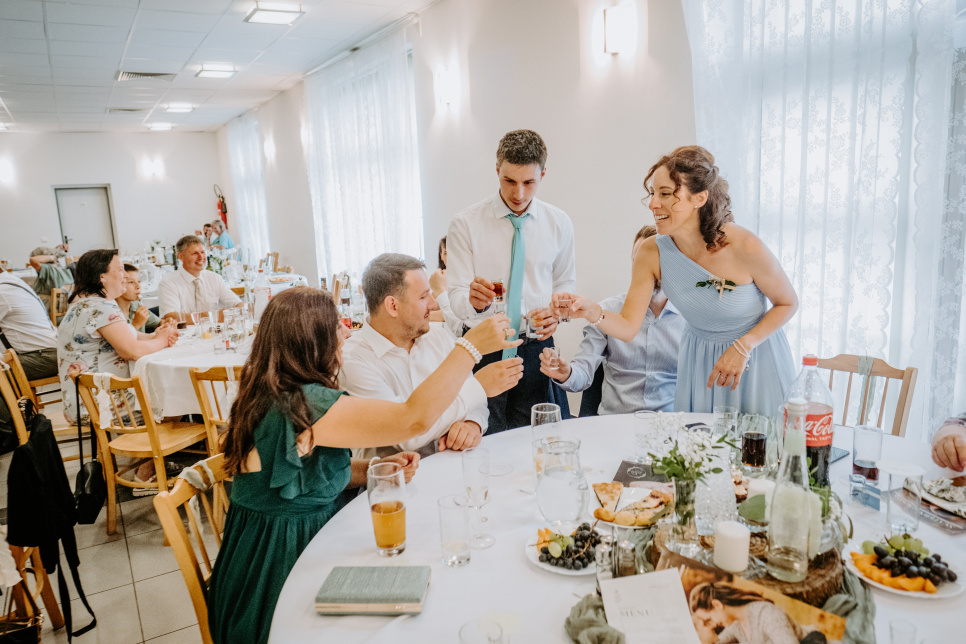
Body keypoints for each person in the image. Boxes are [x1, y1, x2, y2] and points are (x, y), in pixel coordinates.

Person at [207, 287, 518, 644]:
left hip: (261, 546)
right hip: (279, 566)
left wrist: (373, 468)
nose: (346, 332)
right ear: (313, 341)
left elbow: (303, 475)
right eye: (336, 326)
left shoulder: (271, 388)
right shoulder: (304, 404)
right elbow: (412, 420)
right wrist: (469, 349)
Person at [557, 146, 797, 416]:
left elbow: (788, 303)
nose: (653, 204)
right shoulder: (651, 252)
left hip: (754, 358)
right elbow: (627, 326)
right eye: (652, 193)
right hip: (700, 364)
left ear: (699, 198)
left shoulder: (744, 245)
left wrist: (743, 346)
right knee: (700, 441)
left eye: (665, 194)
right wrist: (591, 310)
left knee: (759, 438)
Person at [447, 129, 576, 432]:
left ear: (543, 174)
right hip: (482, 347)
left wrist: (557, 313)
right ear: (497, 170)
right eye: (509, 181)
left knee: (533, 436)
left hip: (535, 347)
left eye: (529, 182)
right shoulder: (465, 224)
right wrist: (472, 302)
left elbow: (565, 283)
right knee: (481, 435)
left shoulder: (559, 223)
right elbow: (455, 295)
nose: (518, 194)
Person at [340, 254, 523, 459]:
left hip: (453, 465)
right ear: (392, 306)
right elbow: (407, 433)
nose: (433, 304)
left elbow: (475, 404)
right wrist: (478, 384)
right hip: (396, 476)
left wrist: (472, 423)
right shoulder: (353, 360)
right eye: (423, 296)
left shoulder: (438, 335)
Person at [540, 226, 685, 415]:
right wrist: (567, 373)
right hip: (615, 423)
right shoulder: (606, 311)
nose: (646, 269)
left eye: (655, 262)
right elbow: (582, 372)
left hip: (670, 424)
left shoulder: (691, 317)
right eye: (638, 261)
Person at [56, 250, 178, 423]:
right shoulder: (102, 307)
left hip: (83, 403)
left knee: (169, 394)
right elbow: (133, 351)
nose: (125, 275)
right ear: (102, 277)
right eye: (120, 270)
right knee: (175, 399)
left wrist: (158, 335)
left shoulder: (83, 304)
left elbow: (128, 334)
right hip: (102, 407)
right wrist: (162, 340)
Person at [0, 269, 58, 450]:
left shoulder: (2, 292)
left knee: (1, 374)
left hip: (45, 357)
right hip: (50, 352)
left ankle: (10, 431)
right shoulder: (11, 281)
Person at [689, 582, 809, 644]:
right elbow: (714, 642)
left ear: (717, 605)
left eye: (709, 620)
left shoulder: (766, 614)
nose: (713, 625)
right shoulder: (735, 625)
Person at [158, 235, 241, 323]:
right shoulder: (168, 283)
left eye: (202, 252)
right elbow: (171, 317)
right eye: (195, 253)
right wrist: (212, 316)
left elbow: (238, 304)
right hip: (185, 332)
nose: (201, 257)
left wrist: (238, 310)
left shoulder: (214, 278)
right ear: (181, 256)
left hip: (215, 330)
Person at [428, 236, 463, 336]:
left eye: (453, 252)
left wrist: (424, 316)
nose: (450, 257)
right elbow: (435, 303)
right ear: (441, 256)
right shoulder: (439, 277)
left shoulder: (467, 278)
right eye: (446, 253)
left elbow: (451, 314)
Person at [117, 264, 161, 333]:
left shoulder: (136, 305)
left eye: (139, 281)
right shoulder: (112, 313)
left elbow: (158, 322)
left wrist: (168, 323)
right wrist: (136, 324)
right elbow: (121, 339)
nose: (138, 286)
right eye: (131, 282)